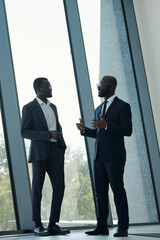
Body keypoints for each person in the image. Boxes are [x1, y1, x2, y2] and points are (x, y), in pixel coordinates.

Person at [76, 75, 132, 237]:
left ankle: (123, 227)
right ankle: (102, 226)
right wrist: (85, 130)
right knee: (100, 193)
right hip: (98, 157)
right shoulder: (99, 109)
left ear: (112, 86)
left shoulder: (123, 106)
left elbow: (127, 130)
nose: (98, 88)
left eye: (101, 85)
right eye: (98, 85)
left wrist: (107, 125)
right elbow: (100, 133)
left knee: (118, 191)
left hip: (114, 157)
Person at [21, 77, 70, 236]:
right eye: (48, 87)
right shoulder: (29, 108)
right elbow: (25, 131)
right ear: (38, 90)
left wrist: (62, 145)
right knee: (37, 189)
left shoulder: (53, 107)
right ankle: (37, 225)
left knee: (60, 188)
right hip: (39, 154)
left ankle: (53, 224)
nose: (51, 89)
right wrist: (47, 135)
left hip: (56, 152)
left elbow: (57, 126)